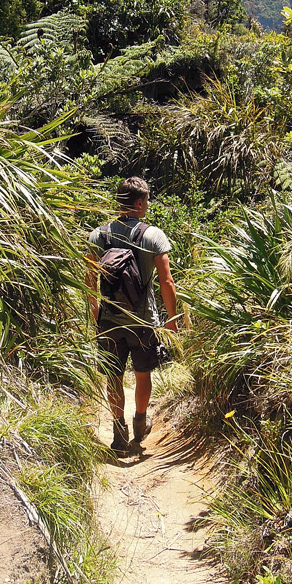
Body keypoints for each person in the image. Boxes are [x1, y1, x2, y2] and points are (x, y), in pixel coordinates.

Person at [86, 176, 178, 453]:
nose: (147, 205)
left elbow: (90, 278)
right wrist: (172, 320)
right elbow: (166, 281)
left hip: (109, 319)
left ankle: (118, 432)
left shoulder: (98, 235)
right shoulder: (153, 235)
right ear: (139, 203)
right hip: (143, 320)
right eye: (147, 200)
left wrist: (95, 312)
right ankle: (140, 422)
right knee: (142, 373)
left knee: (113, 376)